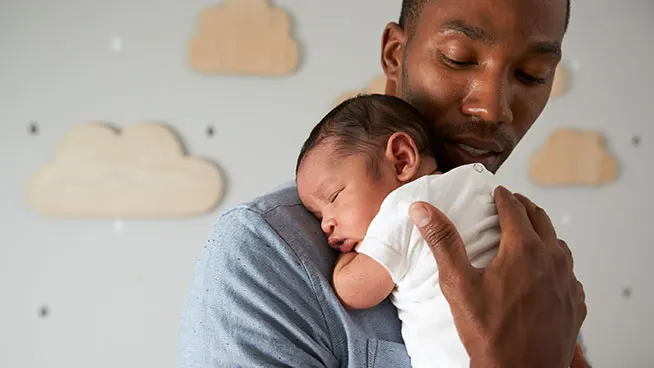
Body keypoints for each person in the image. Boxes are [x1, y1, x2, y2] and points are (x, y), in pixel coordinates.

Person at [178, 0, 588, 367]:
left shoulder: (527, 248)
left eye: (531, 75)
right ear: (395, 54)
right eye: (458, 58)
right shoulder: (267, 251)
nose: (492, 108)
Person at [295, 93, 584, 368]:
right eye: (317, 215)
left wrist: (350, 256)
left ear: (402, 158)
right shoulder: (479, 183)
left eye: (333, 197)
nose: (325, 223)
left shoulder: (403, 207)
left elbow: (353, 292)